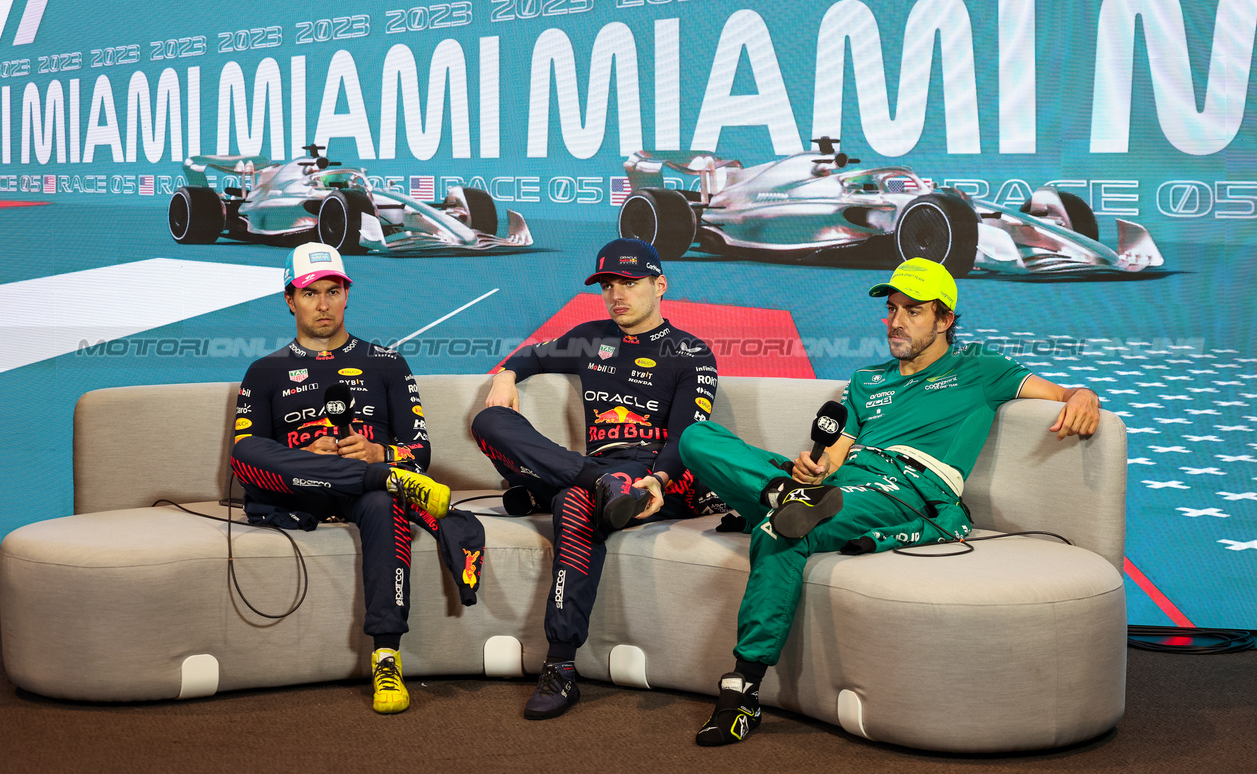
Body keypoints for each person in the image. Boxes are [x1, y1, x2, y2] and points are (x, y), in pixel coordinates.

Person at [678, 257, 1100, 746]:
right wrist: (813, 470)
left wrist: (1083, 393)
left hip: (904, 489)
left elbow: (1061, 391)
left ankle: (741, 693)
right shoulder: (865, 380)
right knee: (698, 436)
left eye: (912, 311)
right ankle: (781, 492)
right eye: (892, 309)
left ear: (944, 321)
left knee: (783, 527)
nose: (895, 322)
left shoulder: (982, 369)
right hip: (839, 486)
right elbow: (833, 458)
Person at [471, 237, 726, 720]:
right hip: (599, 472)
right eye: (608, 285)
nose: (617, 295)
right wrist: (506, 374)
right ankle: (588, 483)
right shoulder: (591, 337)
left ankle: (561, 666)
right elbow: (534, 355)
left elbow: (688, 438)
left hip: (648, 474)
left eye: (629, 283)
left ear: (660, 286)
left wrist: (659, 480)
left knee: (571, 502)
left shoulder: (691, 352)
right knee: (488, 421)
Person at [230, 242, 453, 715]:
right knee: (246, 453)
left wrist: (382, 453)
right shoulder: (264, 370)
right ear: (290, 300)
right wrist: (304, 455)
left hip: (365, 494)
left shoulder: (387, 363)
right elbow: (249, 454)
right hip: (299, 488)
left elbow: (422, 451)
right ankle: (382, 478)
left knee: (381, 498)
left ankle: (387, 658)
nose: (324, 304)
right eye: (311, 294)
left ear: (347, 295)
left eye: (333, 291)